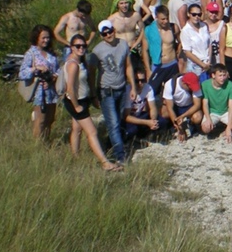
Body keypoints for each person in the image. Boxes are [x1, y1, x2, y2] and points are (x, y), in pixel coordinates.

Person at [61, 34, 121, 172]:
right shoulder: (73, 64)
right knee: (92, 131)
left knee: (77, 129)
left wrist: (92, 97)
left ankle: (75, 157)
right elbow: (70, 88)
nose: (81, 48)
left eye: (83, 46)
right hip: (75, 101)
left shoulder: (80, 61)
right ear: (72, 48)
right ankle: (105, 162)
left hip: (82, 99)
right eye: (78, 46)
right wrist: (76, 106)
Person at [91, 20, 136, 165]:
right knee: (113, 123)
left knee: (120, 120)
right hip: (106, 90)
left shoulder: (123, 44)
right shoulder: (97, 51)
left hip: (121, 88)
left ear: (114, 30)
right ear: (101, 35)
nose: (108, 35)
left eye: (110, 31)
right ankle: (120, 157)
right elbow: (92, 73)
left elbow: (128, 66)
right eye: (104, 34)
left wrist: (133, 86)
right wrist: (94, 94)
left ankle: (112, 145)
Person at [19, 25, 60, 142]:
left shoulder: (51, 54)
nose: (46, 40)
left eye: (48, 38)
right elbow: (22, 73)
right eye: (43, 38)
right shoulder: (31, 53)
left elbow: (58, 70)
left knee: (50, 119)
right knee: (40, 120)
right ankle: (37, 144)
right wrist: (35, 69)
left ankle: (46, 141)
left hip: (51, 91)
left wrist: (54, 77)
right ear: (36, 38)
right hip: (39, 92)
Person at [142, 5, 181, 100]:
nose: (165, 21)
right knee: (152, 92)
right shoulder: (149, 30)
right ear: (156, 17)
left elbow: (181, 42)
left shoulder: (173, 27)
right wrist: (148, 69)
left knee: (173, 92)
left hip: (172, 64)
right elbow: (145, 50)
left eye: (167, 18)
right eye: (162, 19)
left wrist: (178, 55)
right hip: (158, 65)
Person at [201, 63, 232, 141]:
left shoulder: (230, 86)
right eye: (220, 76)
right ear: (213, 75)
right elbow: (205, 104)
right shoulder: (205, 85)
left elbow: (231, 107)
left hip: (226, 112)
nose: (222, 78)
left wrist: (229, 128)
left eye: (224, 75)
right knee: (205, 128)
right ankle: (217, 127)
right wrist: (208, 119)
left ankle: (227, 128)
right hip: (213, 111)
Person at [123, 70, 165, 145]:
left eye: (143, 80)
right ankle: (133, 140)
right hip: (130, 119)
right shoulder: (127, 91)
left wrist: (153, 120)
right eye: (137, 81)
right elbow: (126, 116)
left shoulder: (148, 88)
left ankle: (146, 136)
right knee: (131, 131)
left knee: (161, 121)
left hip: (141, 115)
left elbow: (153, 108)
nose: (140, 83)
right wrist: (147, 122)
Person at [162, 71, 204, 142]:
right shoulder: (170, 84)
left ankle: (191, 123)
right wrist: (179, 128)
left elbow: (197, 105)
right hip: (176, 106)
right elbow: (170, 108)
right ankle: (172, 126)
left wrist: (183, 116)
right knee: (164, 112)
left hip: (190, 106)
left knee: (197, 117)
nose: (192, 89)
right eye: (190, 87)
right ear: (184, 83)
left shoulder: (196, 84)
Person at [180, 4, 211, 77]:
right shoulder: (185, 31)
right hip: (195, 66)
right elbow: (188, 52)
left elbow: (209, 43)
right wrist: (202, 64)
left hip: (207, 63)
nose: (197, 17)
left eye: (199, 14)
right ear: (188, 14)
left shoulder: (204, 26)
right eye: (194, 14)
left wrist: (209, 60)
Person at [205, 1, 225, 67]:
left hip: (219, 58)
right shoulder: (202, 25)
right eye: (211, 12)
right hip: (206, 59)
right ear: (207, 11)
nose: (213, 14)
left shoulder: (222, 24)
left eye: (215, 12)